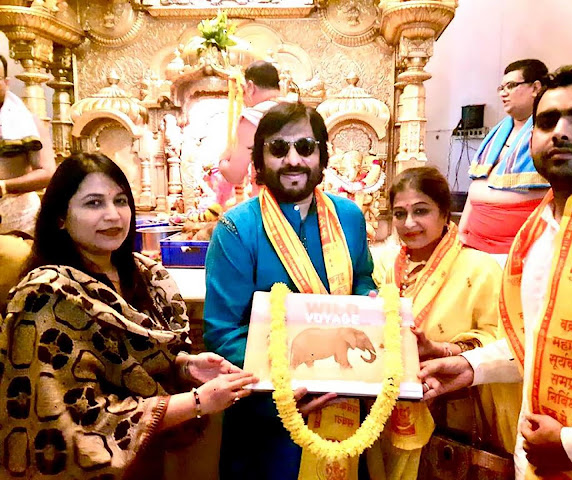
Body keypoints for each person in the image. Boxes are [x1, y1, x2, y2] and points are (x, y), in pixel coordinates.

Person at [419, 66, 572, 480]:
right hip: (534, 464)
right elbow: (538, 343)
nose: (561, 132)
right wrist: (470, 366)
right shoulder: (535, 237)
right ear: (531, 136)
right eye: (548, 121)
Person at [0, 153, 257, 479]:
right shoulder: (45, 297)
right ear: (60, 218)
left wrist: (184, 366)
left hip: (147, 459)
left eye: (120, 201)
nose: (113, 215)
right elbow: (74, 421)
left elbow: (136, 362)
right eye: (94, 203)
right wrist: (197, 401)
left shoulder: (146, 276)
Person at [204, 102, 377, 479]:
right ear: (260, 159)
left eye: (305, 147)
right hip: (270, 411)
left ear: (322, 156)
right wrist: (287, 383)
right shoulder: (236, 228)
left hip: (343, 401)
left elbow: (363, 277)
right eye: (279, 148)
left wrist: (370, 302)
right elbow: (222, 333)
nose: (293, 160)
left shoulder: (349, 217)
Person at [371, 167, 519, 478]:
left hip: (454, 419)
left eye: (421, 211)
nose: (409, 223)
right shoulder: (386, 267)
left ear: (444, 213)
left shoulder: (480, 269)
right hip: (389, 412)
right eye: (399, 213)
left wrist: (442, 349)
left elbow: (503, 342)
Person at [458, 59, 549, 261]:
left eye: (511, 86)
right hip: (474, 243)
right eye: (501, 88)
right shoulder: (498, 132)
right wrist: (462, 231)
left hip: (518, 250)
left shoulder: (549, 134)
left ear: (535, 88)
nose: (503, 93)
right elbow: (477, 184)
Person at [0, 54, 55, 237]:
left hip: (18, 216)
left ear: (6, 82)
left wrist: (4, 186)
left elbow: (47, 172)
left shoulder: (27, 122)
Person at [218, 60, 281, 187]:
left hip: (270, 196)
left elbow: (235, 175)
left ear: (251, 87)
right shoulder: (299, 111)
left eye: (244, 90)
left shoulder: (253, 117)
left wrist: (222, 160)